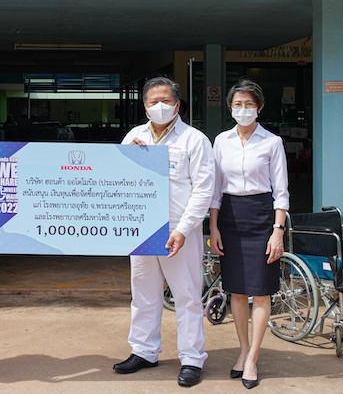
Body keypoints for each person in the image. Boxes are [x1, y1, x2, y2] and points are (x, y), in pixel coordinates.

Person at [113, 76, 215, 388]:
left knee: (186, 295)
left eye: (166, 101)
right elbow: (115, 178)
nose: (160, 106)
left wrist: (184, 229)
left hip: (178, 229)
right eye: (153, 102)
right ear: (145, 107)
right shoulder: (133, 137)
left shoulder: (194, 140)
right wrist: (128, 157)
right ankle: (144, 351)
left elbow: (204, 190)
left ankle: (192, 358)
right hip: (142, 228)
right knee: (143, 293)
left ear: (177, 105)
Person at [208, 79, 289, 390]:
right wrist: (214, 226)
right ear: (230, 108)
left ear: (260, 108)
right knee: (237, 291)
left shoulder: (272, 142)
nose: (243, 110)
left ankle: (253, 358)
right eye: (238, 105)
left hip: (261, 217)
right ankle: (243, 350)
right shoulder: (221, 141)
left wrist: (277, 231)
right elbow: (216, 189)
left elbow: (281, 192)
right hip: (230, 217)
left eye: (249, 105)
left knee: (261, 291)